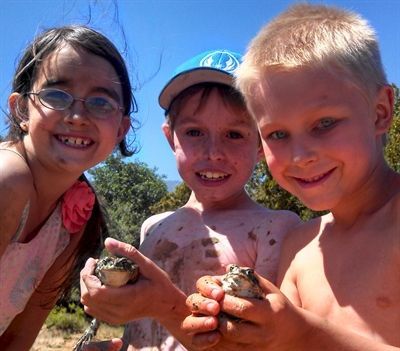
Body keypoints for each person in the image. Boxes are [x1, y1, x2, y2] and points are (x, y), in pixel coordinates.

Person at [182, 3, 400, 351]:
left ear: (380, 112)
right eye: (277, 135)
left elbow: (299, 336)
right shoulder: (299, 245)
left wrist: (303, 334)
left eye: (324, 124)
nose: (300, 156)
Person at [79, 49, 301, 350]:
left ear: (262, 144)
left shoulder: (276, 228)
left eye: (234, 134)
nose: (213, 152)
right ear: (171, 138)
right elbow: (149, 331)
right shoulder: (154, 226)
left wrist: (161, 306)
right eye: (194, 132)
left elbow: (265, 340)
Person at [0, 25, 135, 349]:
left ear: (120, 128)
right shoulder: (8, 179)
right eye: (56, 96)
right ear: (21, 109)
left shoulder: (74, 214)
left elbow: (16, 340)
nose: (77, 116)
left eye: (101, 103)